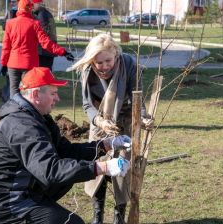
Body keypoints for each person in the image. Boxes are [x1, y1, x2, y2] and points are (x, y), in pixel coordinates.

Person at [0, 66, 132, 223]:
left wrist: (106, 144)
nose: (57, 99)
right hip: (3, 205)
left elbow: (66, 150)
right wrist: (103, 168)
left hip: (21, 193)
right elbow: (50, 170)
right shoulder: (21, 125)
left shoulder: (38, 117)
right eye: (53, 93)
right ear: (36, 94)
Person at [68, 34, 153, 224]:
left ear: (116, 53)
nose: (104, 66)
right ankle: (97, 217)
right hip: (100, 124)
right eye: (99, 62)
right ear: (92, 60)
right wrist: (99, 121)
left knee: (121, 171)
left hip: (124, 123)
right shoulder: (87, 70)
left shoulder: (129, 65)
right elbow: (87, 105)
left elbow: (136, 98)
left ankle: (119, 218)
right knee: (97, 171)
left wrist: (143, 117)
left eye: (108, 60)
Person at [0, 0, 74, 101]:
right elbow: (46, 43)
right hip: (29, 64)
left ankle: (13, 113)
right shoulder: (34, 24)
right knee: (27, 92)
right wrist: (63, 52)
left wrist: (4, 64)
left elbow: (6, 47)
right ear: (30, 9)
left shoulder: (10, 24)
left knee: (13, 92)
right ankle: (27, 113)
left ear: (19, 8)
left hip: (13, 64)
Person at [33, 1, 57, 71]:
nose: (32, 7)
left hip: (43, 51)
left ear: (38, 4)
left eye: (33, 5)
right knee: (47, 72)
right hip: (48, 49)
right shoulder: (46, 13)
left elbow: (43, 32)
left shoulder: (41, 14)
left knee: (42, 74)